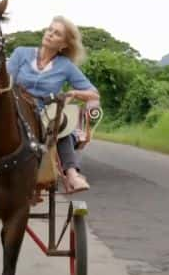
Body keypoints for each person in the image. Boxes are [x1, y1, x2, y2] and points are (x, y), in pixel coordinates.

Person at [6, 16, 100, 193]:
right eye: (50, 30)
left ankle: (72, 174)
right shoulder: (21, 53)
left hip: (45, 112)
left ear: (63, 45)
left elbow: (93, 93)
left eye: (56, 34)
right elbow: (6, 82)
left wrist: (73, 92)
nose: (50, 34)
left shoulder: (65, 66)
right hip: (15, 108)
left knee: (61, 121)